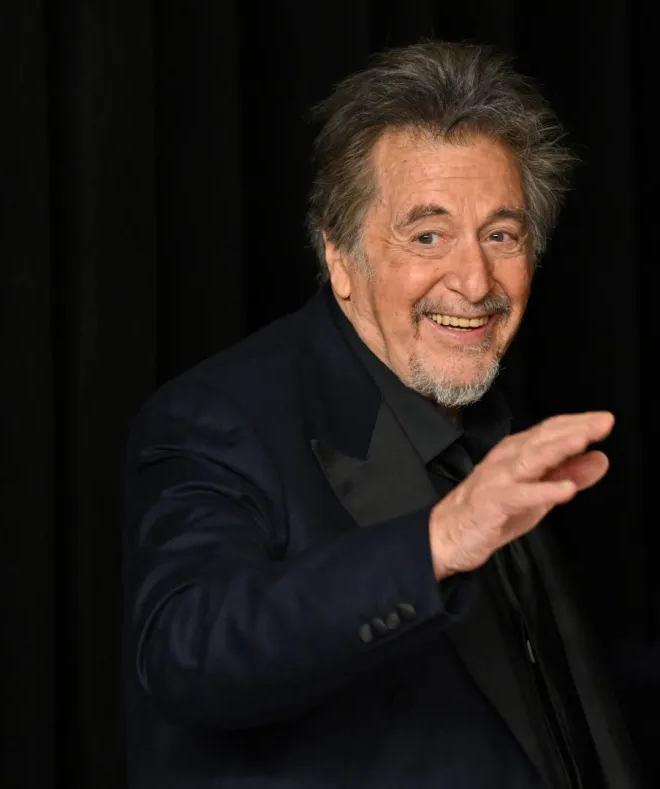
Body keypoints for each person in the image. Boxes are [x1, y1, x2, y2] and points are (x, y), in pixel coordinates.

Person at [122, 41, 641, 788]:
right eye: (427, 235)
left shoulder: (481, 407)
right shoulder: (216, 418)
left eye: (501, 235)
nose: (474, 280)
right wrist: (437, 540)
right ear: (338, 257)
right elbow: (187, 655)